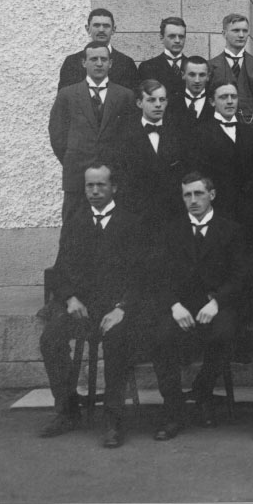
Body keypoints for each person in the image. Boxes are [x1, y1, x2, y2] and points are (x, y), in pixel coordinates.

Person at [38, 162, 148, 448]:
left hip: (116, 307)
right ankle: (67, 408)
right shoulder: (75, 220)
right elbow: (60, 269)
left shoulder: (132, 223)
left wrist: (122, 307)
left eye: (101, 185)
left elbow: (141, 274)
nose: (95, 191)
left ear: (114, 187)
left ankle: (113, 419)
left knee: (116, 339)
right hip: (82, 306)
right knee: (50, 338)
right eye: (90, 185)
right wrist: (70, 298)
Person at [149, 172, 250, 440]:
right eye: (187, 195)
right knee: (160, 337)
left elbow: (241, 276)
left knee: (225, 334)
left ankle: (203, 391)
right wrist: (173, 305)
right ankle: (174, 410)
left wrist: (218, 302)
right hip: (180, 306)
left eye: (198, 194)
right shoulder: (170, 230)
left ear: (212, 195)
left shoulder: (231, 230)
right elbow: (158, 275)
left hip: (216, 303)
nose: (193, 200)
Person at [49, 42, 136, 220]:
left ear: (110, 63)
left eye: (103, 59)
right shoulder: (67, 95)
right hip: (78, 177)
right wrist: (73, 159)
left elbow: (131, 137)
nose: (98, 63)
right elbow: (57, 135)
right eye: (93, 59)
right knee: (75, 234)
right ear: (83, 62)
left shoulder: (125, 96)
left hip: (114, 177)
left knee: (113, 233)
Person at [189, 80, 253, 232]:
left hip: (248, 213)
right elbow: (199, 175)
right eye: (223, 97)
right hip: (217, 210)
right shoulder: (200, 134)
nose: (230, 102)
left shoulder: (251, 133)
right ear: (212, 101)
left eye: (233, 97)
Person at [115, 79, 188, 225]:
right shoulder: (125, 136)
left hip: (172, 214)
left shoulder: (178, 134)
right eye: (151, 100)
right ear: (139, 103)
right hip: (137, 215)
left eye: (162, 99)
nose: (158, 104)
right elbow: (122, 178)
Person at [206, 13, 253, 136]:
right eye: (236, 30)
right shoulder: (211, 66)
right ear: (224, 33)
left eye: (244, 31)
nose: (241, 35)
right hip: (221, 132)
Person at [58, 8, 139, 91]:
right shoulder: (72, 62)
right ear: (87, 28)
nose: (101, 30)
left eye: (106, 26)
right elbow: (64, 99)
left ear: (113, 30)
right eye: (96, 25)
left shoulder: (126, 63)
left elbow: (131, 100)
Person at [137, 17, 188, 97]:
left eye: (181, 36)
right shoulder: (147, 67)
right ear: (161, 37)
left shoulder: (192, 66)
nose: (177, 40)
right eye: (172, 36)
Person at [165, 56, 214, 131]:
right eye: (192, 75)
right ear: (183, 75)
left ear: (208, 77)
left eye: (202, 75)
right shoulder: (171, 103)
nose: (197, 80)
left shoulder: (216, 103)